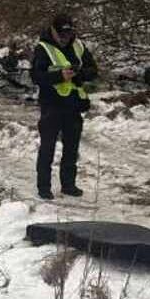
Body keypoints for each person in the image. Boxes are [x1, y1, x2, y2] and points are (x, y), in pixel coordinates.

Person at [31, 13, 98, 200]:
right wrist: (60, 76)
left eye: (67, 34)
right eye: (61, 35)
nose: (64, 39)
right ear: (53, 30)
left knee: (71, 148)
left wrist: (79, 74)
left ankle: (68, 185)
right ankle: (44, 187)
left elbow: (93, 71)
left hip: (74, 104)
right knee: (47, 147)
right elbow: (36, 76)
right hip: (51, 104)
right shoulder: (43, 48)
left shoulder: (78, 46)